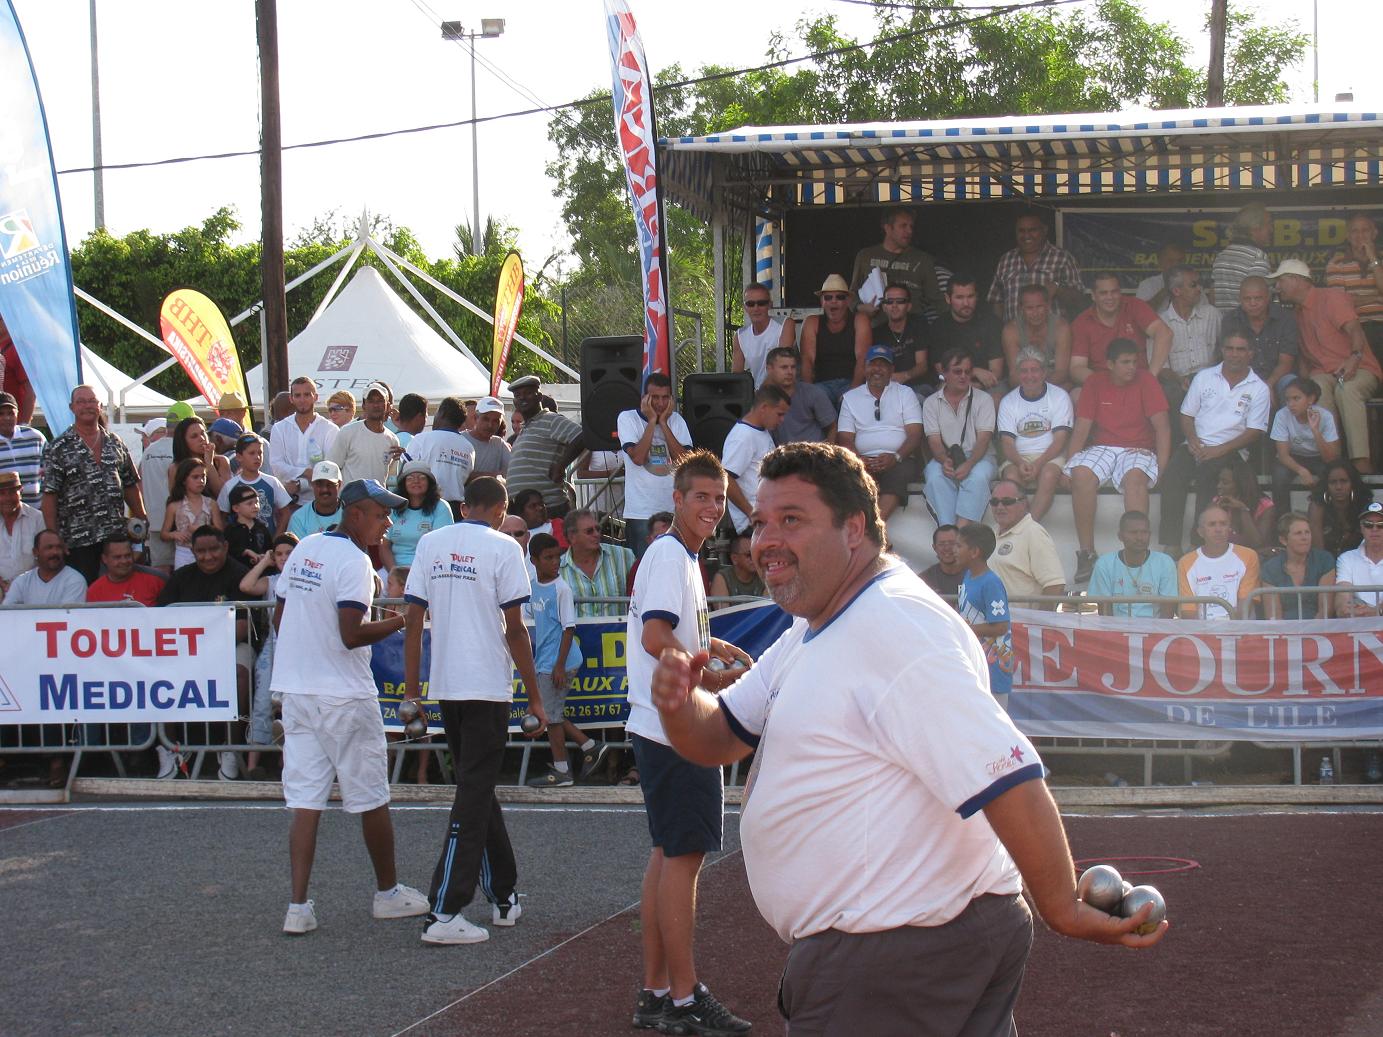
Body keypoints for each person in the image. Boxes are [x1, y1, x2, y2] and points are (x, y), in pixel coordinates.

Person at [649, 442, 1165, 1035]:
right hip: (902, 948)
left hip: (897, 956)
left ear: (855, 529)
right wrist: (679, 701)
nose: (766, 540)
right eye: (762, 522)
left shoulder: (896, 625)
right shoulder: (817, 623)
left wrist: (1063, 908)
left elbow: (1008, 775)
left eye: (792, 520)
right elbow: (719, 737)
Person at [626, 449, 755, 1034]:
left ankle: (658, 993)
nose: (712, 506)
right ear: (675, 500)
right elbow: (657, 636)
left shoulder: (676, 557)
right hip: (675, 728)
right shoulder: (671, 555)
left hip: (661, 725)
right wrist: (707, 677)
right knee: (682, 860)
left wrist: (711, 649)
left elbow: (667, 632)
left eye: (719, 497)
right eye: (701, 496)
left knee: (667, 857)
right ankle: (682, 997)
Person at [271, 479, 430, 935]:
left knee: (305, 800)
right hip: (343, 693)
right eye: (382, 515)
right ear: (356, 514)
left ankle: (298, 906)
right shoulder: (356, 562)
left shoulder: (305, 548)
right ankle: (387, 893)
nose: (388, 523)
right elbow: (350, 633)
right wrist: (406, 618)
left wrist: (306, 650)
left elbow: (282, 615)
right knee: (371, 796)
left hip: (298, 692)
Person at [402, 476, 547, 946]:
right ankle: (443, 910)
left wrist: (413, 692)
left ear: (465, 505)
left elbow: (411, 621)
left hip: (446, 683)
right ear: (502, 509)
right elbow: (516, 630)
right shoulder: (505, 548)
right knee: (472, 794)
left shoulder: (430, 542)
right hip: (486, 685)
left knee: (476, 787)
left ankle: (503, 895)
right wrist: (535, 697)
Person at [1063, 338, 1171, 579]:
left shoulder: (1147, 381)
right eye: (1125, 362)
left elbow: (1163, 428)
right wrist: (1067, 467)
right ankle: (1087, 554)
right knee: (1080, 473)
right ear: (1110, 364)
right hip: (1103, 446)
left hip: (1139, 448)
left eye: (1134, 361)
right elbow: (1081, 428)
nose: (1132, 367)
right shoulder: (1094, 381)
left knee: (1134, 479)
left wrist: (1162, 469)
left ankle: (1138, 557)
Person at [1157, 330, 1270, 555]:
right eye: (1229, 348)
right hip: (1197, 445)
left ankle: (1197, 542)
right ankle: (1171, 544)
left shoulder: (1259, 388)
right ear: (1222, 350)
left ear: (1250, 353)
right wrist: (1193, 441)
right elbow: (1186, 415)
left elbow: (1255, 431)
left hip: (1232, 450)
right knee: (1172, 475)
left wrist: (1219, 450)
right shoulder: (1205, 377)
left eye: (1240, 349)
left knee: (1210, 476)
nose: (1234, 354)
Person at [158, 524, 255, 779]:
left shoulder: (239, 575)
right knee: (157, 672)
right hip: (185, 649)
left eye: (214, 549)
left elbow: (243, 628)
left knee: (239, 673)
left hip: (231, 646)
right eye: (201, 551)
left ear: (224, 547)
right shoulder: (180, 578)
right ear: (192, 551)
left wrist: (202, 647)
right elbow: (161, 621)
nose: (208, 556)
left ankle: (231, 750)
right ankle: (170, 748)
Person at [1269, 258, 1381, 473]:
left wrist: (1354, 357)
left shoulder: (1331, 297)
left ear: (1296, 280)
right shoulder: (1296, 314)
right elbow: (1304, 358)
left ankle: (1361, 462)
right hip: (1325, 374)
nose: (1277, 287)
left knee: (1346, 389)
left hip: (1360, 368)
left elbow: (1355, 330)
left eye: (1281, 280)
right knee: (1316, 388)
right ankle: (1332, 461)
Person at [523, 532, 612, 788]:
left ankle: (562, 770)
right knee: (552, 713)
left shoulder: (561, 589)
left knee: (550, 718)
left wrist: (559, 665)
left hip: (559, 661)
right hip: (545, 660)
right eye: (548, 558)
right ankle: (590, 745)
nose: (555, 562)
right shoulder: (532, 586)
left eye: (557, 557)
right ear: (535, 560)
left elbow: (568, 629)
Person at [41, 385, 146, 583]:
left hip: (115, 536)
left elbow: (130, 485)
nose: (87, 406)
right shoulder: (59, 447)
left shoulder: (115, 442)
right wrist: (53, 536)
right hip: (77, 539)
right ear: (72, 407)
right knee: (83, 593)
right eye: (81, 402)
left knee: (117, 591)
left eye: (92, 401)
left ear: (100, 406)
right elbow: (49, 496)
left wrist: (142, 518)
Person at [836, 347, 923, 520]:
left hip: (899, 459)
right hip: (863, 459)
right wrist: (858, 459)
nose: (877, 369)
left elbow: (915, 434)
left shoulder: (905, 393)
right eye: (873, 364)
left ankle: (871, 531)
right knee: (850, 480)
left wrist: (896, 457)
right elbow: (845, 437)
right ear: (864, 368)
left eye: (883, 365)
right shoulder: (850, 397)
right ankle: (874, 533)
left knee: (898, 475)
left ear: (891, 370)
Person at [241, 531, 299, 779]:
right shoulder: (272, 581)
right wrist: (265, 562)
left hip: (299, 645)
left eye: (289, 553)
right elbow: (246, 586)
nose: (284, 558)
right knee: (263, 700)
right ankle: (253, 764)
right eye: (279, 554)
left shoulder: (306, 578)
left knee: (293, 704)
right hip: (273, 645)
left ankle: (288, 762)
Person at [618, 372, 692, 558]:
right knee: (644, 566)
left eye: (665, 398)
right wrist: (652, 421)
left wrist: (664, 424)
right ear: (644, 398)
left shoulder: (677, 421)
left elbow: (684, 460)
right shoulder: (627, 419)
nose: (660, 403)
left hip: (673, 510)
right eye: (655, 398)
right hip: (641, 512)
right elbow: (638, 457)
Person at [921, 348, 997, 528]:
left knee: (977, 477)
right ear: (944, 373)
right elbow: (934, 441)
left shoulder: (984, 399)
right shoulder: (931, 402)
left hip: (980, 456)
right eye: (957, 371)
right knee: (934, 476)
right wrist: (943, 460)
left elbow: (984, 440)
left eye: (968, 371)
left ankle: (960, 534)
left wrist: (969, 463)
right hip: (946, 456)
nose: (963, 376)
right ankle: (947, 529)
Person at [996, 348, 1073, 521]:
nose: (1029, 376)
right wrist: (1020, 462)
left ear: (1044, 372)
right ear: (1017, 374)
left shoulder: (1059, 397)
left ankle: (1028, 527)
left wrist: (1038, 463)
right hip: (1018, 456)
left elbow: (1060, 440)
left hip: (1050, 456)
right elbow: (1007, 443)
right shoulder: (1008, 401)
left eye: (1035, 370)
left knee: (1049, 475)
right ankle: (1020, 526)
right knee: (1011, 477)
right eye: (1024, 371)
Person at [1069, 272, 1173, 386]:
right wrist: (1105, 383)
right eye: (1103, 293)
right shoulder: (1082, 322)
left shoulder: (1134, 305)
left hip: (1139, 380)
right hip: (1102, 384)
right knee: (1076, 395)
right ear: (1093, 296)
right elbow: (1077, 367)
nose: (1110, 297)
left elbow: (1164, 334)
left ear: (1120, 292)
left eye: (1114, 292)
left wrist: (1150, 377)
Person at [507, 375, 586, 518]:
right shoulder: (526, 428)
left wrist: (561, 465)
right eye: (518, 395)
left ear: (539, 397)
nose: (523, 398)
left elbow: (581, 436)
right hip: (526, 511)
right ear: (514, 402)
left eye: (528, 393)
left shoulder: (550, 419)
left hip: (548, 508)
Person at [956, 522, 1015, 709]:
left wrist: (963, 628)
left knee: (996, 725)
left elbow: (1000, 626)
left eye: (959, 546)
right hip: (975, 662)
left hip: (994, 666)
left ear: (974, 552)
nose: (953, 550)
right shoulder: (967, 577)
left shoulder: (991, 583)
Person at [848, 206, 944, 319]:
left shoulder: (923, 259)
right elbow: (851, 294)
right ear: (888, 228)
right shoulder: (865, 256)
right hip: (875, 330)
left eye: (911, 226)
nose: (909, 231)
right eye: (903, 226)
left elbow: (936, 299)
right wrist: (860, 307)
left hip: (913, 330)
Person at [988, 210, 1084, 323]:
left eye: (1032, 230)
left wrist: (1058, 290)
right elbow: (996, 301)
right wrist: (1012, 325)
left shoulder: (1062, 258)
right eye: (1021, 231)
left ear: (1044, 230)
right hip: (1014, 338)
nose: (1026, 235)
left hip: (1053, 337)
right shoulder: (1006, 259)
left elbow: (1079, 301)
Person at [723, 384, 792, 532]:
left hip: (767, 518)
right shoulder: (743, 436)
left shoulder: (760, 432)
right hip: (753, 525)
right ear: (764, 408)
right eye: (779, 414)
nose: (782, 420)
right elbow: (725, 478)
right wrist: (751, 513)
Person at [987, 478, 1066, 604]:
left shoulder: (1034, 533)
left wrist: (1039, 622)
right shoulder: (989, 534)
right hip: (990, 621)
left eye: (1007, 501)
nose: (1000, 507)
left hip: (1019, 622)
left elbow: (1055, 585)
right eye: (994, 502)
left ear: (1023, 503)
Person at [1087, 511, 1178, 618]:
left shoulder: (1165, 562)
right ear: (1120, 536)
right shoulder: (1105, 563)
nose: (1139, 537)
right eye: (1133, 532)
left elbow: (1167, 614)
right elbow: (1105, 613)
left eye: (1144, 532)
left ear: (1150, 535)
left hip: (1154, 631)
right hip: (1117, 630)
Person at [1221, 276, 1299, 398]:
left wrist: (1268, 385)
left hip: (1277, 379)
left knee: (1290, 383)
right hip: (1242, 378)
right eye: (1247, 299)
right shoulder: (1231, 320)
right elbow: (1229, 359)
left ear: (1268, 297)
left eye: (1258, 298)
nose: (1253, 303)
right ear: (1240, 300)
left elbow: (1286, 362)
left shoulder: (1285, 319)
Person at [1177, 504, 1260, 619]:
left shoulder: (1248, 556)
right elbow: (1188, 612)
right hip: (1202, 632)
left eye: (1223, 524)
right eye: (1212, 524)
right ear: (1200, 532)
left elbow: (1245, 608)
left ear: (1229, 529)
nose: (1218, 529)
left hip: (1238, 630)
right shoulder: (1185, 562)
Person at [799, 274, 871, 406]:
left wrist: (853, 392)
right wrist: (808, 394)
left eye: (840, 297)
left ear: (848, 301)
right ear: (822, 301)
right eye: (828, 297)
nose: (833, 301)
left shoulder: (860, 320)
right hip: (821, 386)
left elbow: (863, 358)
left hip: (852, 383)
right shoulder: (812, 322)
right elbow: (807, 360)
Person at [270, 377, 340, 507]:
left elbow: (330, 468)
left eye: (307, 395)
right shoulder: (279, 428)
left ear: (316, 397)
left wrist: (300, 483)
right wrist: (305, 472)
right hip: (288, 502)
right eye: (297, 395)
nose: (302, 400)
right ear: (291, 399)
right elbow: (276, 465)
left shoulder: (330, 429)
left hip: (322, 502)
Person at [930, 273, 1005, 394]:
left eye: (970, 296)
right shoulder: (939, 326)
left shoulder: (990, 323)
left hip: (986, 386)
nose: (966, 303)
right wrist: (973, 371)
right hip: (952, 384)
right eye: (959, 297)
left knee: (997, 395)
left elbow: (996, 372)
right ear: (948, 299)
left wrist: (975, 387)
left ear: (977, 297)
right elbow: (942, 372)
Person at [1158, 265, 1223, 399]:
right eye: (1193, 285)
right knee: (1169, 391)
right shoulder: (1161, 322)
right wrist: (1179, 379)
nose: (1199, 289)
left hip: (1211, 378)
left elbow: (1226, 350)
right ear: (1177, 291)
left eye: (1199, 284)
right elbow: (1161, 368)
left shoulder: (1212, 314)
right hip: (1177, 382)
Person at [402, 396, 475, 515]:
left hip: (426, 506)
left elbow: (405, 472)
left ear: (442, 413)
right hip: (456, 510)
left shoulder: (422, 439)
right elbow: (465, 479)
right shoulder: (469, 448)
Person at [560, 508, 635, 618]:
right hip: (577, 635)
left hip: (618, 633)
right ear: (572, 537)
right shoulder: (558, 568)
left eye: (598, 529)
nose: (596, 534)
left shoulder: (624, 556)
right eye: (589, 531)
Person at [1326, 213, 1383, 358]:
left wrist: (1373, 259)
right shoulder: (1336, 263)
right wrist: (1376, 298)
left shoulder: (1379, 260)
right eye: (1355, 231)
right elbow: (1340, 303)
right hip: (1354, 329)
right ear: (1348, 236)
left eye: (1365, 230)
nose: (1360, 235)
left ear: (1374, 233)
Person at [379, 460, 454, 570]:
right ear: (403, 484)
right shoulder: (394, 507)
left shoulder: (441, 507)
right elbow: (384, 546)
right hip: (394, 569)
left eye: (422, 477)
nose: (416, 481)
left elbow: (442, 547)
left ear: (430, 483)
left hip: (428, 569)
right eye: (410, 478)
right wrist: (394, 572)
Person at [1261, 512, 1335, 620]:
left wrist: (1310, 635)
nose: (1304, 537)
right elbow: (1274, 616)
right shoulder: (1270, 568)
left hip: (1319, 630)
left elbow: (1325, 611)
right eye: (1298, 533)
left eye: (1307, 532)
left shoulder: (1324, 560)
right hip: (1285, 632)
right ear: (1283, 540)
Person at [217, 433, 292, 534]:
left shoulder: (272, 482)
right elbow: (222, 516)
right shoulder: (230, 486)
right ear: (239, 457)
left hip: (268, 544)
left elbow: (285, 513)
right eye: (252, 453)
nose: (257, 457)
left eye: (260, 453)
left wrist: (277, 538)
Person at [328, 381, 400, 485]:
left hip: (378, 500)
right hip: (349, 500)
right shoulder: (347, 432)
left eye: (380, 401)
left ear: (388, 406)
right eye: (371, 401)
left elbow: (390, 479)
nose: (375, 405)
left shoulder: (393, 440)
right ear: (363, 406)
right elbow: (331, 468)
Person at [1002, 283, 1072, 389]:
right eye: (1029, 308)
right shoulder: (1011, 330)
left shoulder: (1061, 327)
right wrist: (1034, 388)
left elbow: (1061, 373)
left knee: (1068, 388)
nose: (1035, 313)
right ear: (1021, 308)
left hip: (1054, 385)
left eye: (1039, 307)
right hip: (1023, 385)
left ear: (1048, 305)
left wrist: (1038, 387)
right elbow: (1014, 375)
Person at [764, 347, 835, 446]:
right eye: (784, 367)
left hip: (815, 456)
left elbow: (832, 427)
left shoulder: (813, 393)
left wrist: (828, 455)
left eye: (793, 367)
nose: (790, 372)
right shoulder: (764, 400)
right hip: (782, 457)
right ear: (769, 369)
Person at [869, 283, 933, 391]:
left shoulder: (919, 324)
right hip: (889, 388)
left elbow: (922, 365)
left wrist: (904, 376)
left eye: (900, 301)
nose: (894, 305)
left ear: (909, 306)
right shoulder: (877, 333)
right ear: (884, 307)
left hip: (919, 386)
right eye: (889, 301)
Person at [1210, 202, 1272, 312]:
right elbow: (1259, 304)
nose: (1271, 229)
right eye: (1268, 224)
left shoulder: (1221, 257)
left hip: (1223, 326)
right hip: (1247, 326)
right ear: (1255, 228)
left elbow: (1213, 297)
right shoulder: (1257, 257)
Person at [162, 458, 223, 570]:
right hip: (184, 553)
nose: (200, 481)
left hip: (207, 552)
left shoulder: (211, 503)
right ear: (184, 480)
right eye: (195, 477)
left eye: (203, 477)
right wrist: (175, 534)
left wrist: (202, 529)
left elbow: (220, 530)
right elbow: (164, 534)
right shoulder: (174, 506)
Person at [731, 282, 796, 386]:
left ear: (770, 305)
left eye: (761, 303)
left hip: (784, 391)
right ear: (745, 307)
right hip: (758, 396)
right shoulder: (739, 336)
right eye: (750, 304)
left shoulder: (785, 324)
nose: (756, 308)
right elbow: (736, 376)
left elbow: (783, 365)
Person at [140, 407, 181, 570]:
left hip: (156, 522)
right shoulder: (181, 450)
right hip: (181, 522)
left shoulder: (148, 452)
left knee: (161, 572)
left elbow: (141, 485)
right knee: (185, 570)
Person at [2, 529, 87, 606]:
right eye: (49, 548)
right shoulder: (21, 582)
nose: (55, 552)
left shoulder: (75, 580)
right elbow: (7, 613)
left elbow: (67, 618)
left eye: (59, 547)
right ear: (35, 552)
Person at [1309, 460, 1372, 556]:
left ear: (1353, 483)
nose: (1338, 487)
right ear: (1326, 485)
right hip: (1327, 564)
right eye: (1333, 482)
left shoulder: (1363, 504)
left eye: (1344, 481)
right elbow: (1318, 552)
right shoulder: (1318, 506)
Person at [1212, 460, 1275, 554]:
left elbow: (1257, 543)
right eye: (1219, 481)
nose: (1218, 486)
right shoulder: (1217, 502)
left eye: (1225, 483)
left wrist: (1243, 510)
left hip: (1254, 557)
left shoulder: (1265, 505)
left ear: (1241, 484)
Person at [86, 535, 164, 607]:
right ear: (104, 559)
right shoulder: (95, 591)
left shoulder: (155, 581)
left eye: (127, 555)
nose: (124, 561)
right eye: (117, 557)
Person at [1335, 502, 1383, 617]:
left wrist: (1375, 611)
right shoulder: (1346, 559)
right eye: (1368, 524)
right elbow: (1342, 603)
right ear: (1361, 528)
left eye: (1381, 524)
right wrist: (1376, 612)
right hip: (1358, 629)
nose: (1374, 529)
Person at [0, 470, 44, 595]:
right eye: (2, 493)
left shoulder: (38, 519)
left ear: (21, 491)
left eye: (13, 492)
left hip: (32, 587)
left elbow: (45, 559)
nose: (7, 498)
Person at [0, 389, 46, 507]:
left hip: (37, 514)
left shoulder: (35, 438)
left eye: (11, 413)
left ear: (17, 413)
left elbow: (51, 473)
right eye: (1, 413)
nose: (7, 418)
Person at [168, 415, 231, 499]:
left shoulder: (221, 461)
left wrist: (209, 463)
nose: (202, 438)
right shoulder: (176, 467)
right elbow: (175, 500)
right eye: (194, 436)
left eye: (203, 433)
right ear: (183, 442)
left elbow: (223, 496)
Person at [287, 461, 344, 539]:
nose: (324, 489)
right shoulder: (299, 518)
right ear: (312, 484)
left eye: (330, 484)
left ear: (339, 484)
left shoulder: (351, 515)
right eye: (319, 484)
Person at [461, 396, 512, 482]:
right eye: (485, 419)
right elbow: (460, 475)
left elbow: (512, 472)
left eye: (496, 421)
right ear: (476, 418)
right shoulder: (461, 440)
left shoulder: (500, 444)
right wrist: (494, 475)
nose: (490, 425)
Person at [709, 532, 765, 608]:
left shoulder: (764, 576)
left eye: (756, 553)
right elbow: (724, 614)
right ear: (734, 558)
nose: (754, 558)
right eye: (749, 555)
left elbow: (768, 611)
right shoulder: (722, 578)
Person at [225, 484, 272, 568]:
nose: (255, 506)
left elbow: (269, 548)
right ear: (236, 508)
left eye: (257, 502)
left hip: (261, 572)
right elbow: (228, 552)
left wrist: (264, 557)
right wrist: (245, 552)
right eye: (249, 503)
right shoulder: (231, 530)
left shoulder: (261, 528)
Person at [920, 523, 965, 602]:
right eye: (941, 544)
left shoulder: (976, 576)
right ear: (934, 548)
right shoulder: (923, 580)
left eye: (952, 543)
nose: (947, 548)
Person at [1135, 243, 1187, 309]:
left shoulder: (1194, 286)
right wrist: (1167, 289)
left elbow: (1203, 313)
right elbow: (1140, 312)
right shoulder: (1147, 285)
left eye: (1180, 261)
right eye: (1170, 261)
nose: (1175, 265)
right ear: (1160, 262)